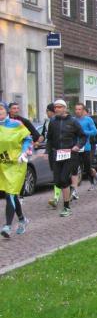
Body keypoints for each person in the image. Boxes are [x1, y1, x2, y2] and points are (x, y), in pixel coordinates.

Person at [45, 99, 86, 217]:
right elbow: (50, 139)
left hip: (70, 155)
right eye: (55, 107)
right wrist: (47, 151)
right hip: (57, 154)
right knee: (57, 181)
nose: (56, 109)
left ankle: (66, 207)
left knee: (63, 179)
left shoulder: (73, 121)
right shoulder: (53, 122)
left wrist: (78, 146)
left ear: (65, 108)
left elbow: (83, 136)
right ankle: (70, 190)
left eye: (59, 107)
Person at [0, 102, 33, 238]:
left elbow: (28, 139)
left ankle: (7, 226)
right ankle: (22, 219)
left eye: (1, 109)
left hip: (17, 164)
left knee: (10, 194)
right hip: (3, 164)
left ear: (6, 110)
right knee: (11, 194)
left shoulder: (16, 124)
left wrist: (24, 152)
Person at [73, 103, 97, 193]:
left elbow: (95, 132)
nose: (77, 111)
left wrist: (83, 132)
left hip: (86, 147)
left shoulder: (88, 120)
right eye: (76, 109)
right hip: (76, 147)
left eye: (79, 109)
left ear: (83, 110)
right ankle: (74, 189)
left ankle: (94, 178)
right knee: (75, 167)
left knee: (88, 168)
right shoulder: (73, 120)